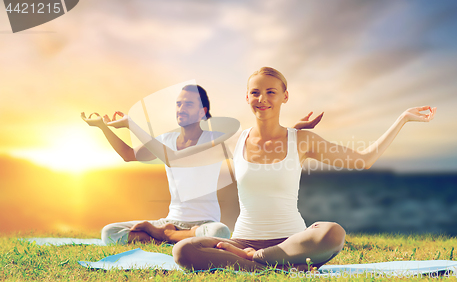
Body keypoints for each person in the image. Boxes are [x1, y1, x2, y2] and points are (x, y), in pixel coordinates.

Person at [169, 67, 437, 271]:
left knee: (332, 233)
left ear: (285, 97)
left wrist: (402, 119)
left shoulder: (303, 141)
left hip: (291, 242)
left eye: (271, 92)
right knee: (183, 251)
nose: (262, 99)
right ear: (247, 97)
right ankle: (271, 267)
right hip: (241, 241)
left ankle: (257, 262)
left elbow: (364, 159)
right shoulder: (234, 140)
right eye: (255, 92)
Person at [82, 84, 322, 245]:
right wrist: (103, 127)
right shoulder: (165, 140)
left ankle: (164, 236)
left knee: (220, 233)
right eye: (178, 104)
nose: (181, 108)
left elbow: (261, 140)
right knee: (109, 233)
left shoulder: (214, 140)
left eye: (188, 104)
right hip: (171, 220)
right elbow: (128, 154)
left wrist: (294, 130)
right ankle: (168, 235)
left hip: (204, 225)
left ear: (202, 112)